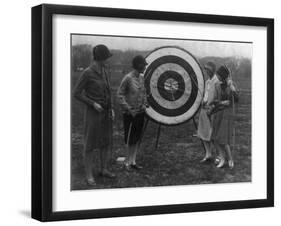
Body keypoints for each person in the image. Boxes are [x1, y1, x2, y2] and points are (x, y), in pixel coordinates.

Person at [73, 44, 116, 186]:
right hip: (93, 114)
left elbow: (108, 91)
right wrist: (92, 104)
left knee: (105, 142)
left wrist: (112, 108)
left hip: (105, 113)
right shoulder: (87, 73)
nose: (108, 60)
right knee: (90, 145)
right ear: (100, 58)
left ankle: (103, 169)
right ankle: (89, 175)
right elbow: (76, 93)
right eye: (106, 58)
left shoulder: (105, 71)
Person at [117, 55, 148, 171]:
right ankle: (127, 163)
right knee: (130, 138)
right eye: (143, 65)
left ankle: (133, 161)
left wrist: (144, 104)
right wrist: (128, 109)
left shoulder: (142, 78)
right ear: (138, 65)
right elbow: (120, 95)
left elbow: (144, 93)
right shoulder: (128, 78)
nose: (145, 67)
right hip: (130, 114)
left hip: (140, 113)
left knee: (137, 138)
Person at [208, 65, 239, 168]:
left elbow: (237, 99)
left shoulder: (230, 85)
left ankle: (230, 158)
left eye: (219, 75)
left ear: (223, 76)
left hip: (227, 115)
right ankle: (222, 158)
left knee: (223, 139)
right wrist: (221, 103)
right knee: (215, 138)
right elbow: (214, 101)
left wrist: (233, 89)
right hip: (218, 113)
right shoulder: (217, 85)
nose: (217, 76)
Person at [197, 61, 219, 162]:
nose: (207, 72)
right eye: (206, 70)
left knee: (213, 134)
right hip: (204, 109)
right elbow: (205, 94)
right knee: (203, 132)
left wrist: (211, 103)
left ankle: (219, 156)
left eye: (208, 70)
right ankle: (208, 154)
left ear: (212, 70)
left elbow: (218, 96)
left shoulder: (217, 81)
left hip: (212, 109)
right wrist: (203, 101)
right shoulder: (207, 82)